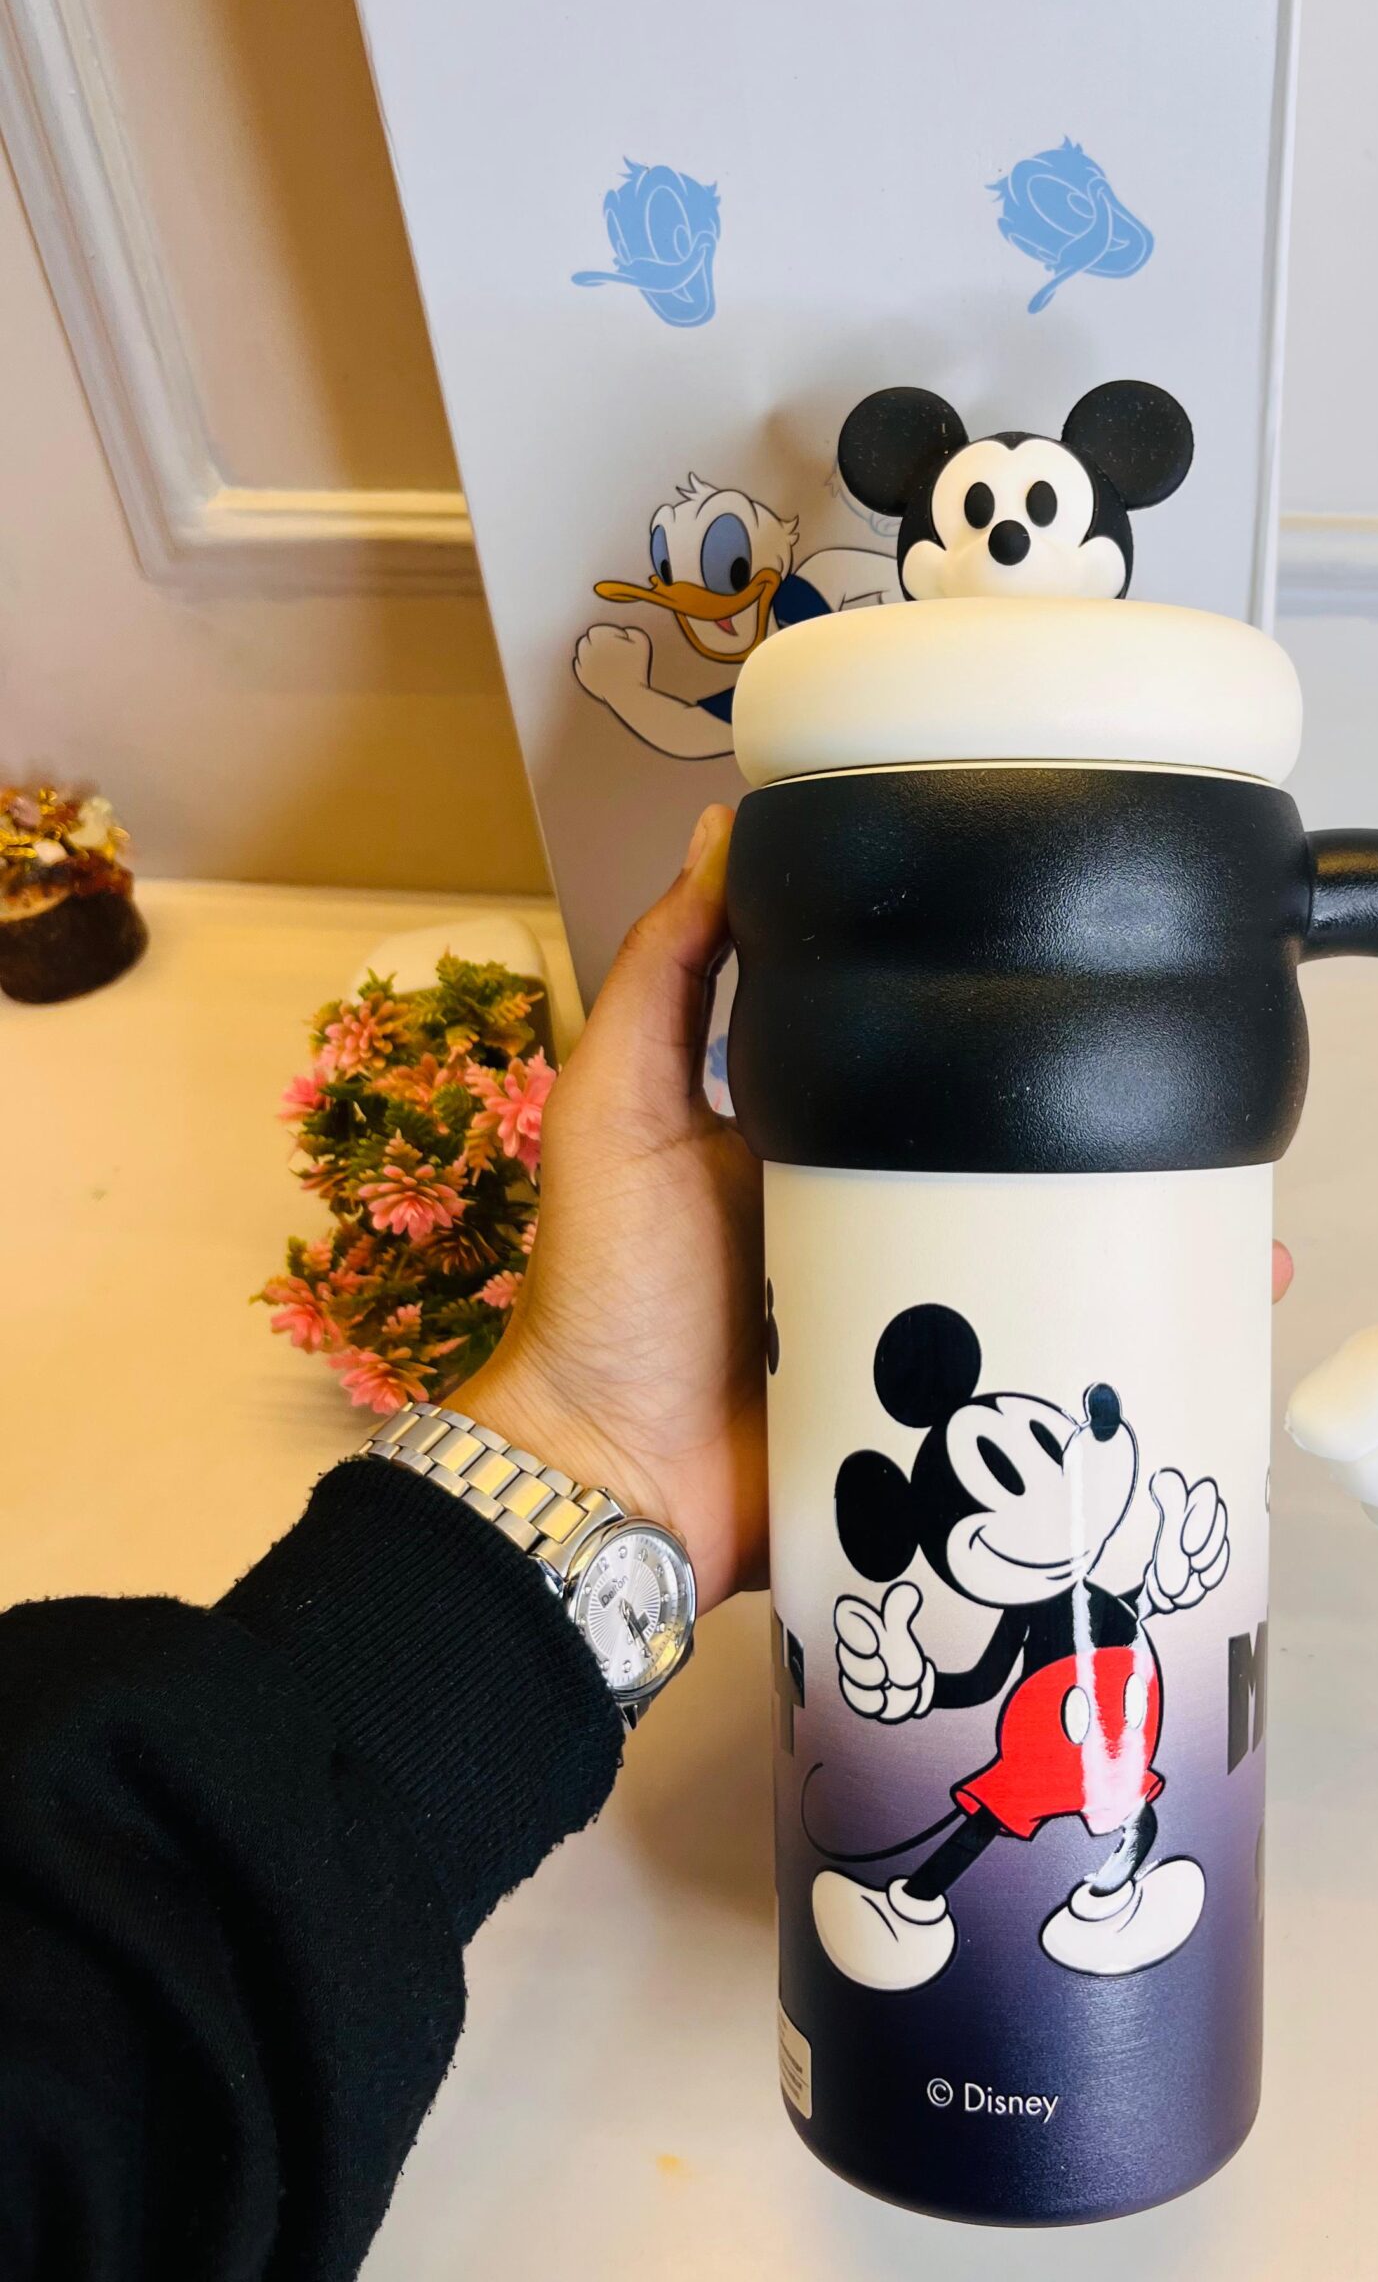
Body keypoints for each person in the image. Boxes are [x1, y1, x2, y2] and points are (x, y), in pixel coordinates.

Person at [0, 806, 1292, 2281]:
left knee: (1113, 1811)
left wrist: (588, 1452)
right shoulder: (967, 1573)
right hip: (1005, 1768)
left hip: (1110, 1740)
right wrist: (624, 1466)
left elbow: (99, 2018)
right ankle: (929, 1904)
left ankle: (1104, 1895)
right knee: (985, 1813)